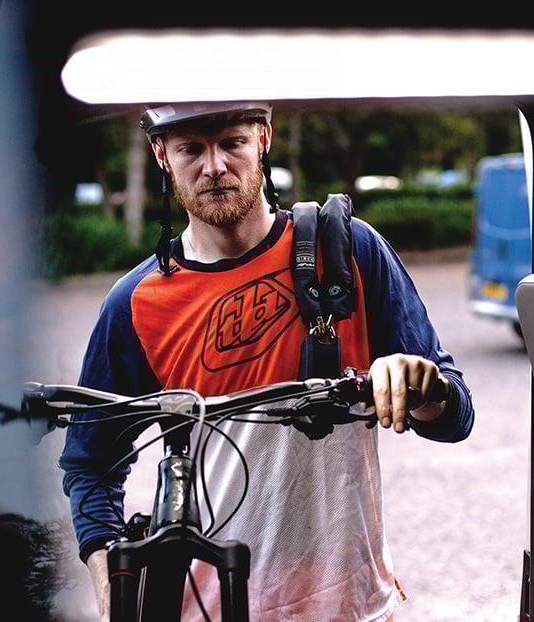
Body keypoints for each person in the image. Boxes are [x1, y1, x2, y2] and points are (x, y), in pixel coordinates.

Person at [60, 101, 474, 622]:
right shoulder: (135, 304)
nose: (214, 167)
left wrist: (425, 390)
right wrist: (112, 595)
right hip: (209, 611)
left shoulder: (347, 252)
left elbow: (456, 416)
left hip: (351, 609)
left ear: (263, 139)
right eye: (192, 148)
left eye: (231, 142)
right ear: (162, 154)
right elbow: (89, 465)